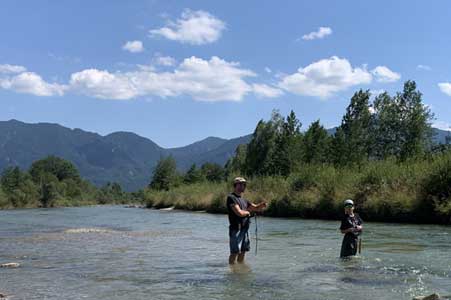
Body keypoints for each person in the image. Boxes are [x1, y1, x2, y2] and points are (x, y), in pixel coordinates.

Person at [227, 177, 267, 265]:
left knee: (243, 251)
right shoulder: (231, 198)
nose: (243, 186)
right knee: (234, 252)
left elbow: (255, 208)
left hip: (245, 229)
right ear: (235, 185)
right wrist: (248, 212)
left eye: (244, 184)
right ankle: (232, 271)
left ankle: (240, 269)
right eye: (240, 184)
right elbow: (239, 213)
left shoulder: (244, 200)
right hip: (236, 229)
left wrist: (262, 205)